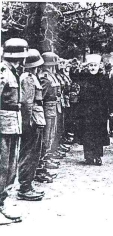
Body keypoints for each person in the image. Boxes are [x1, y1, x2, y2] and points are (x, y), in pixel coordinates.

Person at [0, 38, 28, 225]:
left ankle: (1, 204)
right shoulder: (3, 72)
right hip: (2, 125)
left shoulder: (13, 71)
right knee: (1, 167)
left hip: (12, 125)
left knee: (10, 169)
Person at [18, 49, 46, 201]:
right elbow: (27, 104)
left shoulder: (30, 77)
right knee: (29, 153)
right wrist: (28, 123)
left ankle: (28, 185)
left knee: (33, 153)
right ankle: (25, 187)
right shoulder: (28, 78)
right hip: (33, 121)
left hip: (36, 118)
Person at [77, 54, 113, 165]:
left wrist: (111, 109)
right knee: (87, 133)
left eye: (95, 65)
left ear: (99, 66)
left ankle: (98, 156)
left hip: (100, 111)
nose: (93, 67)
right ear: (88, 66)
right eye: (91, 65)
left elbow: (109, 95)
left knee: (99, 133)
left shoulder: (104, 79)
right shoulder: (83, 77)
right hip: (86, 111)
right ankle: (88, 156)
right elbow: (80, 94)